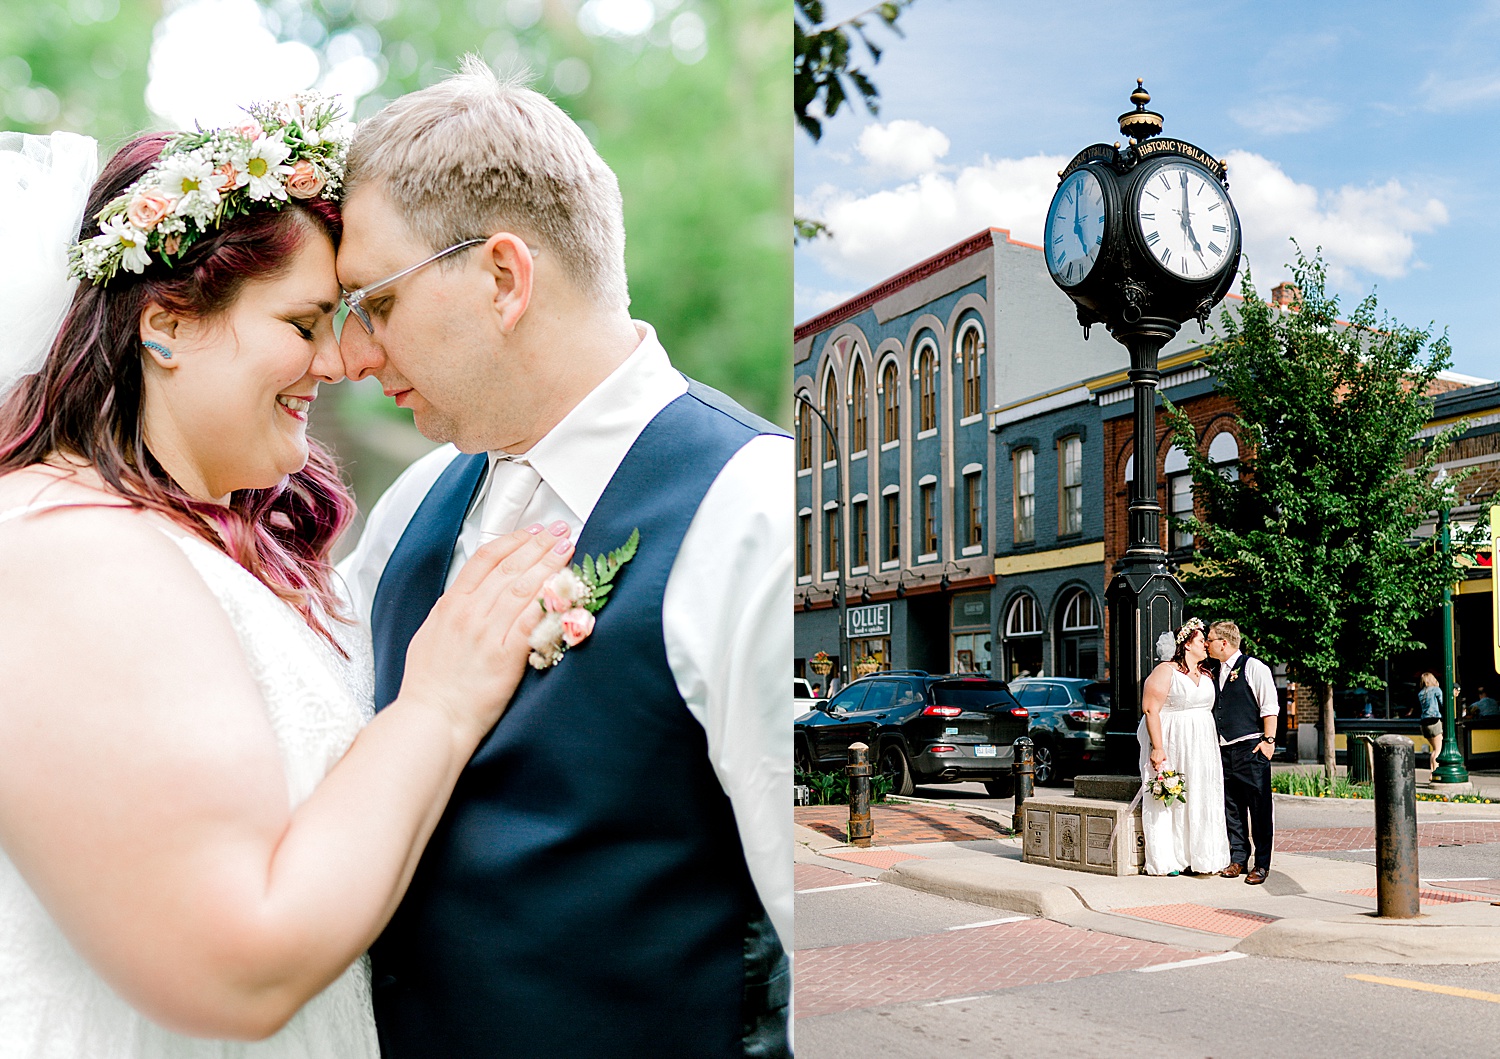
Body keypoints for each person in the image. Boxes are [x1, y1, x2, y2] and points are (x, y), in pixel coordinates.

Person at [0, 103, 576, 1055]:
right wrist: (436, 706)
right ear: (167, 327)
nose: (340, 360)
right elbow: (238, 969)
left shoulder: (206, 548)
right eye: (305, 322)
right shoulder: (68, 549)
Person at [332, 60, 791, 1058]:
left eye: (372, 303)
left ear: (503, 278)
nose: (351, 357)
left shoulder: (755, 512)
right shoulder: (413, 504)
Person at [1137, 618, 1231, 877]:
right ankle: (1171, 857)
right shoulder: (1165, 671)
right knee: (1173, 796)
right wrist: (1158, 748)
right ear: (1187, 644)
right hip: (1175, 740)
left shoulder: (1206, 673)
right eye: (1202, 641)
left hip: (1203, 743)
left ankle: (1201, 855)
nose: (1206, 645)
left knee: (1202, 793)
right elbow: (1150, 709)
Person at [1205, 620, 1280, 885]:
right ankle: (1238, 858)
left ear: (1223, 643)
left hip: (1251, 748)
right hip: (1223, 751)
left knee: (1259, 809)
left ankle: (1261, 864)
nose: (1206, 644)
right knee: (1231, 808)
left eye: (1210, 639)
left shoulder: (1254, 667)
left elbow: (1269, 706)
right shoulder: (1212, 670)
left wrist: (1268, 742)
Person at [1418, 671, 1444, 766]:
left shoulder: (1421, 693)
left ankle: (1432, 771)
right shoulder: (1436, 690)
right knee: (1438, 749)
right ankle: (1434, 772)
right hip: (1434, 720)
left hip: (1424, 722)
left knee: (1434, 749)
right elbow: (1443, 704)